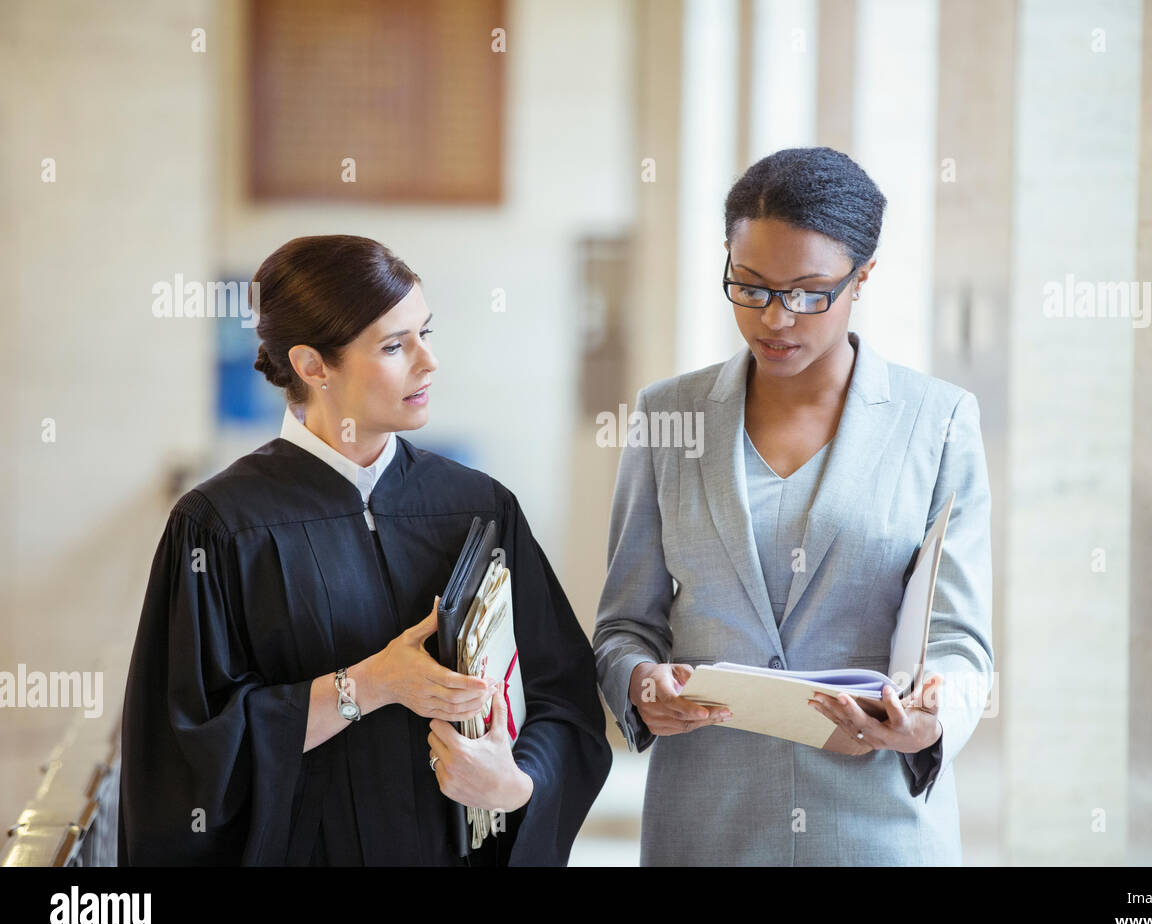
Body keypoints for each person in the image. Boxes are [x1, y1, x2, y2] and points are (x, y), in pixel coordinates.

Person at [118, 235, 611, 865]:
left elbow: (562, 699)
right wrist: (367, 685)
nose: (428, 363)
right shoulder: (220, 526)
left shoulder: (479, 509)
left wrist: (517, 784)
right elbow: (182, 752)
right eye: (394, 346)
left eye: (426, 333)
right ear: (311, 365)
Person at [592, 147, 994, 865]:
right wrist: (637, 683)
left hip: (875, 823)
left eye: (810, 293)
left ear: (862, 277)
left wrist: (931, 723)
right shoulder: (667, 416)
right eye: (750, 287)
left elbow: (961, 641)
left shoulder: (937, 421)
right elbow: (625, 624)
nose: (776, 319)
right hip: (707, 822)